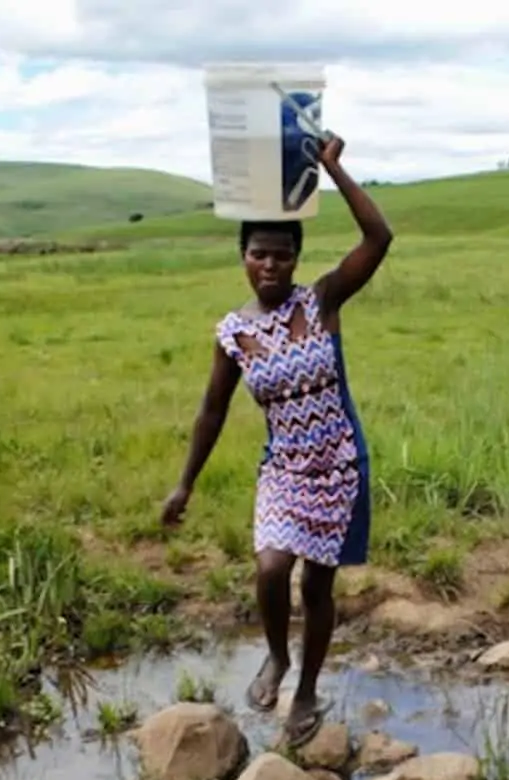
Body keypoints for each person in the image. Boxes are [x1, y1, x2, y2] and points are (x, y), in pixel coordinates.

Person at [160, 132, 393, 748]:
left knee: (317, 586)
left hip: (338, 465)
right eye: (259, 254)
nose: (270, 266)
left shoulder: (320, 301)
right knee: (270, 569)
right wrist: (185, 484)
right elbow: (212, 411)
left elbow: (379, 239)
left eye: (281, 256)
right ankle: (276, 656)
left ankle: (309, 688)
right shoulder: (233, 333)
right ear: (243, 256)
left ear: (295, 260)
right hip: (284, 468)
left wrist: (334, 169)